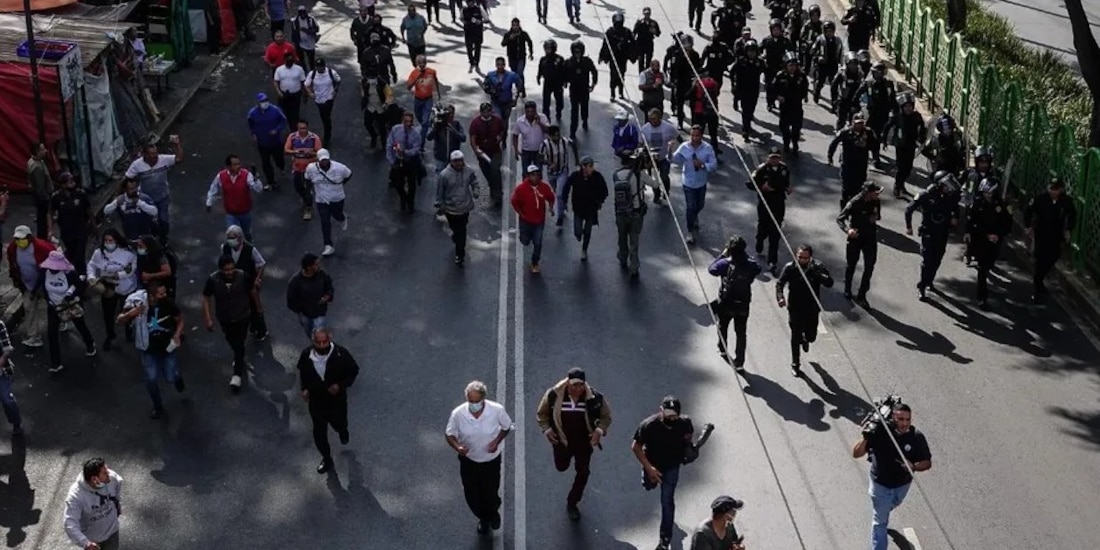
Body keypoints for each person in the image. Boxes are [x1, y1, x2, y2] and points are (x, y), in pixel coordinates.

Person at [535, 367, 612, 521]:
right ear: (568, 383)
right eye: (574, 385)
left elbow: (606, 417)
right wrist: (547, 429)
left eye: (581, 385)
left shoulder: (595, 398)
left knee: (583, 472)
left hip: (584, 443)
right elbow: (541, 414)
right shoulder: (554, 395)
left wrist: (599, 431)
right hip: (562, 442)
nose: (578, 388)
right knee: (561, 467)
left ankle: (572, 502)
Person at [852, 403, 931, 550]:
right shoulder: (881, 433)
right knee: (880, 522)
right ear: (893, 418)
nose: (905, 423)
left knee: (892, 504)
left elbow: (927, 462)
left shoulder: (916, 437)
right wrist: (865, 437)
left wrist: (913, 466)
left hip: (902, 485)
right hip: (880, 485)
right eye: (900, 419)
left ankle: (886, 509)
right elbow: (856, 453)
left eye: (908, 419)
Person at [445, 380, 514, 535]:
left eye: (477, 401)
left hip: (491, 461)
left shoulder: (496, 410)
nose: (474, 405)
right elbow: (449, 434)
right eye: (471, 401)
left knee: (490, 491)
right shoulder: (458, 414)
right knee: (472, 494)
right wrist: (458, 447)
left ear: (483, 399)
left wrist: (497, 441)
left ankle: (491, 513)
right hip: (469, 461)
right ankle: (483, 516)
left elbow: (506, 426)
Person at [632, 396, 695, 550]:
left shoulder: (685, 423)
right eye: (668, 415)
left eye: (674, 416)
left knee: (667, 501)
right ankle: (648, 480)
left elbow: (688, 437)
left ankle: (665, 538)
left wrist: (689, 450)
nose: (671, 419)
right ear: (660, 411)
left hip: (672, 467)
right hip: (652, 465)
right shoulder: (649, 425)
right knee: (648, 485)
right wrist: (649, 468)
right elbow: (636, 446)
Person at [117, 280, 184, 418]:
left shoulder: (168, 304)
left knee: (171, 376)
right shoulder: (137, 303)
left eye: (164, 292)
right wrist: (131, 314)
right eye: (161, 293)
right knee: (151, 379)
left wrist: (177, 334)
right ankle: (157, 406)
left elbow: (180, 320)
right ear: (151, 296)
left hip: (167, 347)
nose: (164, 295)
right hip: (148, 349)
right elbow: (119, 320)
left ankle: (177, 377)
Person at [298, 327, 360, 474]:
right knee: (319, 433)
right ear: (313, 341)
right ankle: (326, 458)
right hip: (316, 402)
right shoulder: (306, 355)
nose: (321, 346)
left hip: (336, 401)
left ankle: (342, 430)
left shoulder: (341, 354)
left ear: (329, 339)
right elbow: (303, 374)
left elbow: (353, 371)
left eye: (324, 342)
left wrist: (340, 385)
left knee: (339, 423)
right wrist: (304, 388)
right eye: (317, 342)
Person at [776, 244, 833, 375]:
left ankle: (806, 339)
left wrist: (819, 275)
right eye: (799, 257)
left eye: (805, 258)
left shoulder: (818, 266)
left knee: (811, 336)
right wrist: (780, 297)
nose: (802, 260)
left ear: (810, 257)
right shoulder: (790, 268)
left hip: (811, 308)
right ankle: (795, 363)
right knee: (795, 336)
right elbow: (780, 284)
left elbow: (830, 283)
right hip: (795, 307)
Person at [707, 236, 761, 370]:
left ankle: (722, 348)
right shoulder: (750, 264)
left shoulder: (725, 263)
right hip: (743, 304)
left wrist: (722, 255)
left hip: (726, 303)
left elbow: (711, 269)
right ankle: (740, 362)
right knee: (741, 332)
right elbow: (758, 268)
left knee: (723, 326)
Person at [202, 255, 253, 393]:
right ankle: (239, 358)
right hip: (225, 318)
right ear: (221, 270)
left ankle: (237, 375)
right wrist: (208, 318)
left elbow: (252, 291)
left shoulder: (243, 276)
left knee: (239, 343)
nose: (230, 272)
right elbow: (206, 297)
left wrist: (257, 308)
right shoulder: (213, 280)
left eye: (232, 269)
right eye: (226, 270)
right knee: (232, 340)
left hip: (243, 315)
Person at [905, 170, 959, 300]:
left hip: (943, 232)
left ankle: (930, 281)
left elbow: (956, 209)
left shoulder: (950, 197)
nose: (949, 188)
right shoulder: (926, 195)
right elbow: (909, 209)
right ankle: (922, 286)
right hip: (928, 232)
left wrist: (955, 218)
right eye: (946, 185)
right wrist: (909, 227)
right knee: (927, 260)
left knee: (937, 259)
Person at [41, 250, 96, 375]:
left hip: (70, 305)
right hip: (54, 307)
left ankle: (89, 343)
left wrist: (70, 295)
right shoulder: (44, 273)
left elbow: (80, 286)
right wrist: (49, 301)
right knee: (52, 334)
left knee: (80, 325)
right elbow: (43, 288)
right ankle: (56, 363)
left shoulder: (69, 273)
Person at [1025, 177, 1077, 303]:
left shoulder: (1066, 201)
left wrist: (1068, 229)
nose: (1053, 192)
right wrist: (1028, 227)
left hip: (1056, 234)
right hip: (1041, 232)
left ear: (1061, 189)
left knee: (1053, 256)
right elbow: (1028, 211)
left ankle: (1040, 278)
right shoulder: (1040, 199)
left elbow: (1072, 214)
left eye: (1056, 189)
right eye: (1051, 189)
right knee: (1040, 258)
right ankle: (1037, 287)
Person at [124, 137, 184, 245]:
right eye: (151, 154)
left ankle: (163, 240)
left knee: (163, 221)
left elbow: (179, 159)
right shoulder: (137, 165)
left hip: (162, 197)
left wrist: (177, 145)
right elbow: (128, 178)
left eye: (156, 153)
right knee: (148, 222)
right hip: (146, 199)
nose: (154, 156)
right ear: (145, 155)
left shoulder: (163, 160)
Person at [87, 229, 138, 351]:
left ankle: (129, 331)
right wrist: (91, 277)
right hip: (108, 288)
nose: (108, 243)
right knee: (108, 314)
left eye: (111, 240)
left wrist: (117, 275)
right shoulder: (99, 253)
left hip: (125, 287)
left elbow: (131, 270)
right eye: (106, 241)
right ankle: (110, 335)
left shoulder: (127, 253)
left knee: (127, 311)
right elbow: (91, 265)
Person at [966, 178, 1012, 310]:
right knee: (982, 268)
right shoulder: (976, 203)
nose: (987, 195)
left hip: (995, 241)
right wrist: (983, 234)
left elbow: (1008, 223)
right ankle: (982, 298)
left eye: (990, 193)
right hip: (980, 240)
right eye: (985, 193)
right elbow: (971, 221)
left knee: (989, 264)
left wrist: (998, 235)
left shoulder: (1002, 205)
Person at [7, 225, 54, 348]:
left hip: (44, 283)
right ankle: (33, 336)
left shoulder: (42, 248)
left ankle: (62, 321)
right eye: (17, 239)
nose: (19, 242)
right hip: (27, 285)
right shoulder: (13, 248)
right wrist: (17, 282)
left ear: (29, 237)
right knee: (29, 308)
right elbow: (13, 266)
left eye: (21, 239)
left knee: (55, 305)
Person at [837, 182, 882, 309]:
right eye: (875, 192)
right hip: (856, 237)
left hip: (870, 237)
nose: (877, 195)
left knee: (869, 266)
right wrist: (847, 230)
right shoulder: (854, 202)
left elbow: (878, 215)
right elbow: (840, 218)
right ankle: (847, 288)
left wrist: (875, 217)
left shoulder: (876, 201)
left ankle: (862, 295)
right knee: (851, 264)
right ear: (867, 192)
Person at [671, 125, 718, 245]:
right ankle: (690, 231)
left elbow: (713, 165)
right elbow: (675, 159)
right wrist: (669, 151)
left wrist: (703, 165)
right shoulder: (684, 147)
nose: (693, 138)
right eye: (692, 135)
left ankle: (694, 216)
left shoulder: (707, 148)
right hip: (688, 182)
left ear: (701, 136)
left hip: (701, 182)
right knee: (690, 207)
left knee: (700, 204)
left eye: (696, 136)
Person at [748, 148, 792, 273]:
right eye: (772, 157)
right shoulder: (762, 169)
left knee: (775, 231)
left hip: (778, 203)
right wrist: (762, 187)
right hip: (765, 202)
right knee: (763, 227)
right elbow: (750, 183)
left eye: (777, 157)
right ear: (768, 158)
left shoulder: (784, 169)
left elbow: (786, 182)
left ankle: (772, 261)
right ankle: (760, 240)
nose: (774, 160)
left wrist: (787, 188)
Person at [64, 458, 122, 550]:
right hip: (93, 541)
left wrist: (117, 505)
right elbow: (70, 523)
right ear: (94, 479)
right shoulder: (76, 496)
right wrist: (85, 543)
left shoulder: (112, 478)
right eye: (104, 473)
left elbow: (118, 487)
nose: (108, 474)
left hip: (112, 534)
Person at [222, 225, 268, 340]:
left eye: (233, 238)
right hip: (234, 284)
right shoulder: (225, 248)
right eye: (229, 238)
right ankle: (250, 327)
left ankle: (261, 330)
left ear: (240, 238)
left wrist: (258, 279)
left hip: (249, 283)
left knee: (255, 307)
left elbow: (261, 264)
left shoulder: (250, 249)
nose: (230, 240)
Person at [434, 151, 480, 266]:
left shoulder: (468, 171)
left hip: (464, 207)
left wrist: (476, 191)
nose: (459, 163)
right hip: (451, 209)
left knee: (462, 230)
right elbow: (440, 191)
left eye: (460, 160)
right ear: (451, 162)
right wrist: (440, 204)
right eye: (456, 161)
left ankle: (460, 254)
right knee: (455, 228)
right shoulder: (444, 175)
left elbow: (474, 181)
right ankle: (456, 237)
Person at [304, 149, 352, 257]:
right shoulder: (311, 168)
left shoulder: (340, 168)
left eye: (326, 160)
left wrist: (341, 184)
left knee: (337, 215)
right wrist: (309, 191)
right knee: (325, 221)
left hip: (337, 198)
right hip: (321, 200)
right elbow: (307, 178)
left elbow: (349, 174)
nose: (324, 162)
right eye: (322, 161)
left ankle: (342, 217)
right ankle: (328, 245)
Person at [206, 154, 263, 241]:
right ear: (228, 166)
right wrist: (209, 203)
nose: (238, 166)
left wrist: (256, 179)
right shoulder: (221, 176)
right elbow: (213, 189)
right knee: (232, 236)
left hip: (245, 212)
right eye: (235, 164)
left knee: (247, 233)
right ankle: (234, 253)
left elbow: (258, 189)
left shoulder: (246, 175)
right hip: (231, 213)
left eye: (239, 164)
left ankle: (249, 250)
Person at [510, 165, 556, 274]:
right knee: (524, 241)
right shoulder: (521, 189)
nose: (535, 177)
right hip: (525, 220)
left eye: (537, 174)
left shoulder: (544, 187)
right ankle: (526, 236)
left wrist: (551, 207)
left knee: (538, 242)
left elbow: (551, 197)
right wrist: (521, 213)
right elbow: (514, 201)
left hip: (539, 221)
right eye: (532, 175)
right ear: (528, 176)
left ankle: (535, 262)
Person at [828, 113, 879, 209]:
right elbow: (834, 143)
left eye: (861, 123)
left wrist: (869, 147)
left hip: (861, 165)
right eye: (857, 123)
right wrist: (830, 156)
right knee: (846, 188)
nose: (859, 125)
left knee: (859, 188)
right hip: (847, 164)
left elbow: (875, 146)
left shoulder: (868, 133)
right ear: (852, 123)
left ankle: (854, 209)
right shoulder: (845, 132)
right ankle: (843, 209)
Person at [881, 92, 926, 198]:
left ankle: (901, 184)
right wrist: (884, 140)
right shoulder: (898, 116)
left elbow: (922, 128)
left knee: (908, 167)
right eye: (906, 107)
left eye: (910, 107)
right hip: (900, 145)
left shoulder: (916, 116)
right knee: (900, 167)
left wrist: (922, 138)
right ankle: (897, 186)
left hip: (911, 145)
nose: (908, 109)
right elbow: (887, 127)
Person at [49, 172, 93, 275]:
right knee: (72, 254)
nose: (73, 184)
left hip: (81, 231)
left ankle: (83, 275)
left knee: (80, 256)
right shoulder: (56, 197)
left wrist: (93, 226)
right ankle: (75, 275)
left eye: (73, 181)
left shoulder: (81, 194)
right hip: (66, 232)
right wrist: (50, 229)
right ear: (63, 185)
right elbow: (50, 213)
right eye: (69, 182)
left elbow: (89, 210)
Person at [611, 152, 647, 274]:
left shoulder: (615, 175)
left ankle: (622, 257)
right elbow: (656, 184)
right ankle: (634, 266)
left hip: (620, 212)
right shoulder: (639, 174)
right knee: (634, 240)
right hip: (635, 212)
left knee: (622, 237)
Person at [247, 93, 289, 190]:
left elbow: (283, 120)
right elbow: (250, 124)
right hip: (262, 142)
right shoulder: (252, 113)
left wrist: (277, 129)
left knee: (279, 158)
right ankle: (271, 181)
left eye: (265, 100)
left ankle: (281, 166)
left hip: (275, 141)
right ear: (257, 103)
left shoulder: (275, 110)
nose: (264, 103)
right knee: (266, 162)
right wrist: (253, 134)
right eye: (262, 101)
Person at [287, 253, 334, 338]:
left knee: (319, 333)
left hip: (320, 312)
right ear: (309, 267)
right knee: (310, 333)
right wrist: (300, 309)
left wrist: (328, 295)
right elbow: (291, 299)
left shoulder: (322, 274)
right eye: (316, 264)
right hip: (305, 315)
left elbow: (329, 286)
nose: (319, 266)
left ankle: (320, 346)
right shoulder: (296, 281)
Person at [386, 112, 426, 213]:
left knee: (412, 185)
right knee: (398, 184)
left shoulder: (416, 134)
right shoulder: (396, 130)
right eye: (406, 121)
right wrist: (391, 160)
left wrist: (406, 152)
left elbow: (416, 149)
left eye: (410, 122)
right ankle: (403, 198)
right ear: (402, 121)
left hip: (410, 161)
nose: (408, 124)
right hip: (398, 161)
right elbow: (390, 144)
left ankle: (410, 203)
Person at [469, 103, 507, 206]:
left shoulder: (497, 120)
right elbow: (473, 138)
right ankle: (493, 186)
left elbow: (502, 130)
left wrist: (500, 138)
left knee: (495, 169)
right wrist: (476, 149)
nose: (486, 113)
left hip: (495, 151)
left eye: (488, 111)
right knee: (486, 171)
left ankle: (497, 193)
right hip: (483, 153)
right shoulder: (475, 123)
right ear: (481, 112)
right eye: (484, 111)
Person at [539, 125, 577, 226]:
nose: (557, 138)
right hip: (551, 174)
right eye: (555, 136)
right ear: (550, 136)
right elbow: (540, 158)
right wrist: (549, 163)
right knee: (557, 192)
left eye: (558, 135)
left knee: (559, 193)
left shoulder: (564, 141)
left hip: (563, 171)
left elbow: (573, 145)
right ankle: (563, 203)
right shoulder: (544, 145)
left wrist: (577, 161)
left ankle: (560, 216)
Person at [284, 119, 323, 220]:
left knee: (308, 189)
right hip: (297, 168)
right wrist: (295, 152)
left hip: (310, 169)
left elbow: (320, 153)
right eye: (300, 128)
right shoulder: (292, 137)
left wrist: (311, 153)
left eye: (304, 128)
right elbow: (286, 150)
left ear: (307, 128)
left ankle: (308, 208)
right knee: (297, 186)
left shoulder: (314, 138)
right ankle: (305, 198)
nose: (302, 130)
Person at [639, 109, 680, 204]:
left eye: (655, 119)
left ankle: (666, 194)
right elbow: (640, 143)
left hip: (664, 158)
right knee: (654, 179)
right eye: (650, 119)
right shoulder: (645, 129)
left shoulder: (668, 127)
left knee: (664, 177)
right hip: (651, 160)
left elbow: (677, 136)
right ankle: (656, 195)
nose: (653, 121)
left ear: (660, 118)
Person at [772, 52, 810, 152]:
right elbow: (773, 88)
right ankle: (786, 142)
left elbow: (805, 88)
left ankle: (795, 142)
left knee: (796, 128)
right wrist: (777, 96)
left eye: (794, 65)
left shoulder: (801, 76)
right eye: (790, 65)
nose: (792, 68)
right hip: (785, 106)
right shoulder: (780, 76)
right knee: (784, 127)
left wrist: (803, 96)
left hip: (796, 106)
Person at [729, 40, 766, 138]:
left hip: (754, 90)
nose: (751, 53)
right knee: (745, 110)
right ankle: (745, 128)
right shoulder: (741, 62)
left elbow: (766, 70)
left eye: (753, 51)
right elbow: (732, 72)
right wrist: (733, 84)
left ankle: (748, 122)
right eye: (749, 51)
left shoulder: (760, 62)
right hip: (742, 89)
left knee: (751, 109)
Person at [563, 41, 598, 140]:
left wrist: (593, 83)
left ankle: (585, 120)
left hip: (584, 89)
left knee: (584, 108)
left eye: (579, 52)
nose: (577, 53)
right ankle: (572, 131)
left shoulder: (587, 61)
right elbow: (564, 73)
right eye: (575, 52)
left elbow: (594, 71)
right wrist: (565, 82)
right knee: (574, 110)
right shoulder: (568, 62)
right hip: (574, 89)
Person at [483, 57, 524, 140]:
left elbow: (519, 83)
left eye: (502, 65)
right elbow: (485, 86)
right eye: (498, 65)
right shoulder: (491, 75)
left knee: (505, 122)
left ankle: (504, 137)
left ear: (504, 65)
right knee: (497, 119)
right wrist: (492, 91)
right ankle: (496, 137)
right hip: (496, 102)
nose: (500, 67)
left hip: (507, 102)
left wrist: (515, 97)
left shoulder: (511, 75)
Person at [599, 12, 636, 100]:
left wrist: (633, 55)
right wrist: (602, 56)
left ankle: (621, 91)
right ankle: (612, 93)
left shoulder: (627, 32)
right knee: (613, 75)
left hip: (623, 57)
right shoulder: (610, 31)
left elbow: (633, 44)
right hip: (613, 57)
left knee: (622, 75)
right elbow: (605, 44)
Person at [305, 58, 341, 145]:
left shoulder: (331, 73)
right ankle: (327, 127)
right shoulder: (312, 74)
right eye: (317, 67)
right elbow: (306, 85)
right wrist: (310, 93)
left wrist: (335, 91)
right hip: (318, 98)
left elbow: (338, 81)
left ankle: (327, 135)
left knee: (325, 115)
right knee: (324, 115)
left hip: (328, 98)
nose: (319, 69)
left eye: (321, 67)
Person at [407, 55, 442, 142]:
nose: (422, 65)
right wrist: (416, 78)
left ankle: (421, 141)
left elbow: (436, 81)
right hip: (418, 99)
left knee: (424, 122)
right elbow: (408, 87)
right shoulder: (414, 73)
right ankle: (427, 124)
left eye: (424, 63)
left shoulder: (431, 72)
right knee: (419, 117)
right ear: (416, 64)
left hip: (428, 99)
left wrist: (438, 92)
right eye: (420, 63)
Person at [512, 101, 550, 169]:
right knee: (525, 172)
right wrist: (516, 150)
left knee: (538, 172)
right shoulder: (520, 121)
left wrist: (540, 123)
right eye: (528, 112)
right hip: (526, 151)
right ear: (525, 112)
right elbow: (515, 135)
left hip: (539, 151)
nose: (530, 114)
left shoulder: (542, 117)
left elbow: (548, 131)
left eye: (532, 111)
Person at [361, 74, 395, 148]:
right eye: (370, 77)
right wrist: (364, 101)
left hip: (380, 108)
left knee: (382, 127)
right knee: (367, 123)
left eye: (372, 77)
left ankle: (384, 143)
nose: (371, 79)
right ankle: (374, 136)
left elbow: (389, 95)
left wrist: (386, 103)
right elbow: (363, 92)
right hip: (370, 107)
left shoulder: (383, 84)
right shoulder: (364, 82)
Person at [27, 143, 53, 239]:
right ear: (38, 152)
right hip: (42, 197)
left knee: (42, 217)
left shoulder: (34, 161)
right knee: (42, 219)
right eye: (43, 149)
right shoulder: (36, 167)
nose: (45, 150)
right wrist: (46, 197)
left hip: (39, 196)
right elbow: (39, 186)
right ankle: (43, 238)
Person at [274, 53, 307, 128]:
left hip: (295, 94)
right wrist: (278, 92)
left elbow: (303, 82)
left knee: (294, 113)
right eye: (288, 60)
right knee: (284, 112)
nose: (290, 62)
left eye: (291, 60)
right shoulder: (279, 69)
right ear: (284, 60)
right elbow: (276, 81)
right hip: (284, 94)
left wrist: (305, 94)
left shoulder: (299, 69)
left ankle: (294, 129)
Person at [537, 40, 566, 123]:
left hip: (557, 83)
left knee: (559, 101)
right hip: (547, 82)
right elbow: (540, 69)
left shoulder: (559, 59)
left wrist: (564, 81)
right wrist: (538, 77)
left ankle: (559, 112)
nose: (547, 50)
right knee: (546, 101)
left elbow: (563, 71)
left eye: (549, 48)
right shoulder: (543, 59)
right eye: (546, 49)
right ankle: (546, 117)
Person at [0, 320, 20, 436]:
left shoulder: (0, 325)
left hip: (1, 372)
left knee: (7, 400)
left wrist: (2, 359)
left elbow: (7, 347)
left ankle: (16, 423)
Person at [500, 18, 534, 86]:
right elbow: (503, 44)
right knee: (514, 73)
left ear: (519, 25)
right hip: (512, 57)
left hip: (521, 57)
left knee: (520, 73)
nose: (515, 27)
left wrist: (531, 53)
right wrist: (509, 39)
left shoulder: (523, 34)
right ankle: (517, 87)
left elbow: (529, 42)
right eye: (513, 25)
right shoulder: (508, 34)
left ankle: (521, 89)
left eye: (516, 25)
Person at [290, 5, 319, 71]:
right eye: (301, 13)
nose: (303, 14)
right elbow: (294, 32)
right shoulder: (295, 21)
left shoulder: (311, 19)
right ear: (299, 13)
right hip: (300, 43)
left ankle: (312, 71)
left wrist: (307, 30)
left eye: (304, 12)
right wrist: (295, 43)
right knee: (301, 59)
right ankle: (303, 71)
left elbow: (316, 29)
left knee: (311, 59)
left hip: (310, 43)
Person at [461, 0, 486, 72]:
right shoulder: (464, 10)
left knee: (477, 48)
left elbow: (486, 19)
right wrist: (464, 22)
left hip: (477, 32)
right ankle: (471, 62)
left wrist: (480, 21)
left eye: (471, 1)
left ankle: (477, 63)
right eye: (468, 2)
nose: (469, 3)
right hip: (468, 32)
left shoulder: (479, 9)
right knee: (469, 48)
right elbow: (461, 18)